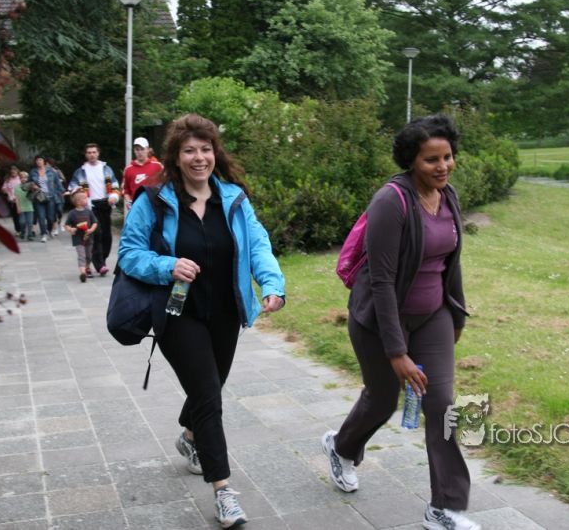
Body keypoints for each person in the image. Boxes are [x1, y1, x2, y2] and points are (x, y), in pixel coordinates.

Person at [118, 114, 286, 529]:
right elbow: (129, 254)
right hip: (177, 313)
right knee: (209, 395)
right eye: (189, 150)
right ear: (175, 157)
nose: (199, 158)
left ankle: (190, 436)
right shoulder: (154, 200)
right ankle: (223, 490)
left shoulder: (233, 199)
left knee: (210, 386)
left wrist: (272, 284)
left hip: (226, 312)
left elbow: (258, 244)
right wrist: (167, 265)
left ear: (215, 153)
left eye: (206, 149)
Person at [321, 115, 480, 530]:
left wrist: (456, 313)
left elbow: (451, 263)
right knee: (382, 398)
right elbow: (383, 281)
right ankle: (341, 448)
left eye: (448, 157)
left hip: (433, 316)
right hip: (379, 320)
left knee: (441, 405)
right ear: (411, 160)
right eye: (431, 160)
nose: (443, 166)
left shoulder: (448, 196)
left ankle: (444, 507)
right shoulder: (390, 202)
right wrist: (396, 352)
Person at [68, 144, 119, 275]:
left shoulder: (106, 168)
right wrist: (79, 194)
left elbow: (115, 184)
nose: (92, 155)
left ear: (98, 153)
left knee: (107, 235)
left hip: (105, 203)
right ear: (86, 155)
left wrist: (114, 196)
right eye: (89, 152)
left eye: (94, 152)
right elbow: (72, 186)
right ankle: (99, 264)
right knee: (96, 234)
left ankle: (102, 260)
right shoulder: (81, 171)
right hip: (90, 206)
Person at [27, 155, 64, 243]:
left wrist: (62, 191)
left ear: (44, 161)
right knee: (41, 217)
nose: (38, 161)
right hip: (39, 197)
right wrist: (32, 186)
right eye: (37, 160)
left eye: (40, 160)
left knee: (50, 217)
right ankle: (44, 234)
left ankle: (48, 230)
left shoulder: (51, 171)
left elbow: (58, 183)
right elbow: (28, 183)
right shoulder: (33, 172)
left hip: (50, 197)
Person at [64, 190, 98, 282]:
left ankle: (87, 267)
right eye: (85, 198)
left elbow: (95, 222)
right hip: (78, 239)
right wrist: (70, 229)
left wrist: (91, 229)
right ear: (78, 202)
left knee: (89, 255)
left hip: (89, 238)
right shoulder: (72, 213)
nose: (87, 200)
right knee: (81, 255)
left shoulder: (89, 211)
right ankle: (83, 273)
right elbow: (66, 225)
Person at [123, 136, 164, 213]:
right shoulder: (128, 169)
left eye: (142, 149)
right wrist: (129, 203)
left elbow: (166, 184)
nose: (140, 152)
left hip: (154, 207)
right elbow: (126, 190)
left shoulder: (158, 166)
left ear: (147, 149)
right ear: (134, 151)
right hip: (137, 209)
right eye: (137, 149)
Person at [46, 157, 67, 235]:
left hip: (59, 193)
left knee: (59, 210)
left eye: (48, 164)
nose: (47, 165)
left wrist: (59, 180)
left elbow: (64, 179)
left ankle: (60, 223)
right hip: (51, 195)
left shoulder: (57, 171)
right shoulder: (44, 172)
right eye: (46, 164)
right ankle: (55, 228)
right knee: (53, 211)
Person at [1, 165, 22, 236]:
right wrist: (6, 191)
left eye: (14, 172)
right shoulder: (8, 180)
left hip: (21, 200)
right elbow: (3, 188)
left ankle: (23, 229)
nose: (13, 173)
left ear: (17, 171)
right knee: (15, 216)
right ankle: (18, 230)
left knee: (21, 216)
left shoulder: (20, 178)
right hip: (12, 200)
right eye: (12, 172)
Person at [14, 171, 34, 241]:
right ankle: (23, 232)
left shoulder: (30, 186)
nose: (24, 179)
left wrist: (33, 189)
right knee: (22, 222)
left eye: (25, 178)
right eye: (22, 178)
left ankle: (30, 235)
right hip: (21, 207)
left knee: (30, 222)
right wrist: (18, 207)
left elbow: (34, 195)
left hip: (29, 206)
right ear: (20, 178)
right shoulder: (17, 187)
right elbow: (17, 198)